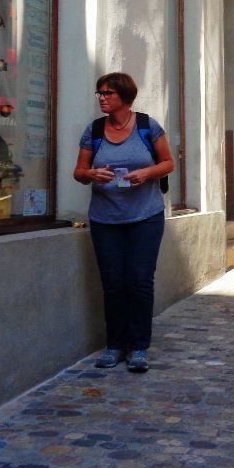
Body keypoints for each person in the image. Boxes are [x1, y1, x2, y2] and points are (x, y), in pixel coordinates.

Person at [73, 72, 174, 374]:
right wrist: (92, 174)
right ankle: (115, 346)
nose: (102, 98)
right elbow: (78, 171)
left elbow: (168, 162)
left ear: (124, 96)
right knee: (113, 284)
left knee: (140, 282)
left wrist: (146, 174)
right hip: (106, 219)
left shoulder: (147, 126)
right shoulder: (93, 131)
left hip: (145, 216)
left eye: (107, 93)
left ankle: (139, 348)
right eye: (99, 93)